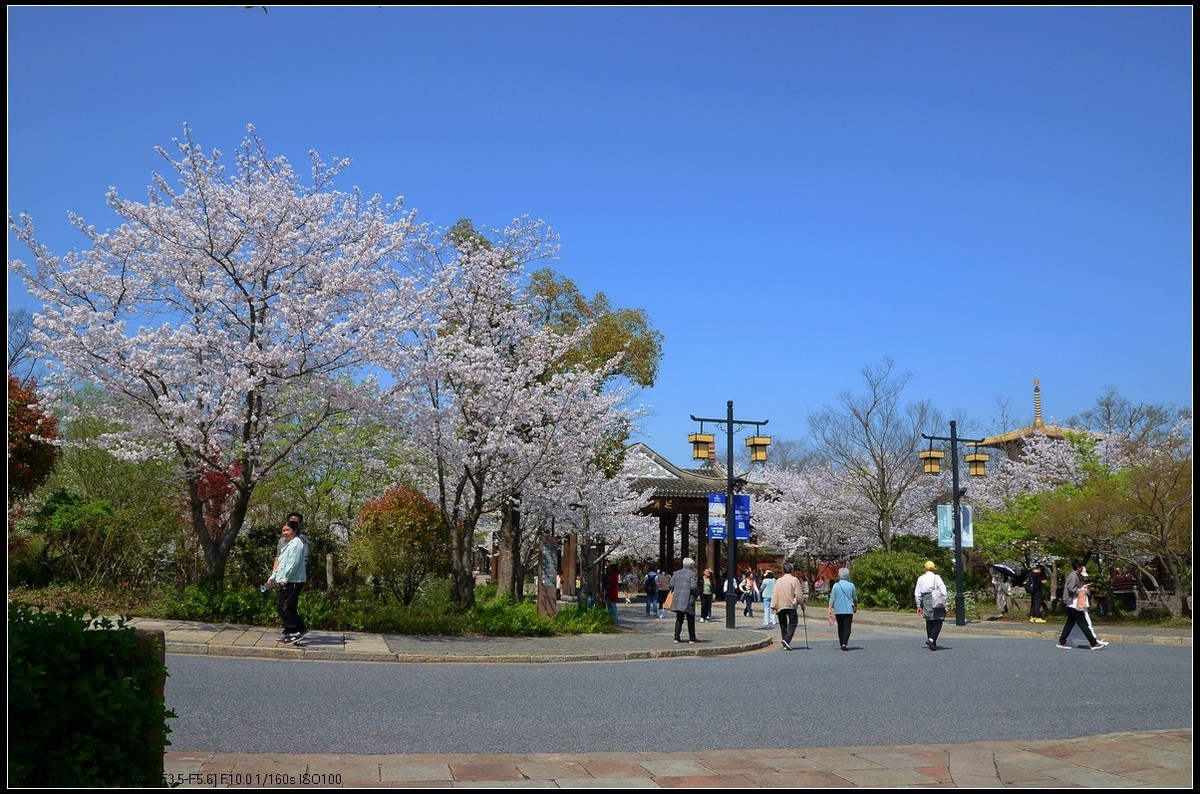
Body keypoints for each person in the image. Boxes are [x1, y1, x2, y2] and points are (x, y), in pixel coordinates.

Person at [264, 517, 308, 643]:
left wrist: (285, 579)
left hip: (293, 581)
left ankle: (294, 631)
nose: (284, 532)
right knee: (290, 607)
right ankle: (299, 629)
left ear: (295, 530)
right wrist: (273, 577)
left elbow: (292, 564)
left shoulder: (297, 543)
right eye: (283, 530)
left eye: (287, 530)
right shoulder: (289, 544)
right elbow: (282, 563)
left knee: (284, 607)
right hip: (287, 580)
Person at [1058, 560, 1107, 650]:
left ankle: (1062, 641)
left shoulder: (1076, 576)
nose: (1082, 568)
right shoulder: (1073, 576)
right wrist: (1082, 589)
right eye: (1081, 567)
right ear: (1078, 567)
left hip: (1073, 604)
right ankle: (1093, 643)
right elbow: (1071, 589)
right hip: (1074, 603)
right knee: (1083, 624)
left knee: (1070, 624)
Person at [770, 562, 805, 650]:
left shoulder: (779, 580)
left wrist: (773, 605)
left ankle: (785, 640)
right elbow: (799, 594)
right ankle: (787, 639)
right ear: (792, 570)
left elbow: (775, 593)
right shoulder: (794, 580)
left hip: (780, 605)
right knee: (793, 622)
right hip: (790, 605)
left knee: (783, 624)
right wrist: (802, 604)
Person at [915, 560, 948, 651]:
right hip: (935, 599)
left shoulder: (920, 578)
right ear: (934, 569)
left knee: (929, 620)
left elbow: (917, 593)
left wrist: (918, 605)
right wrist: (946, 602)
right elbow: (943, 590)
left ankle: (932, 642)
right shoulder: (936, 577)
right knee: (939, 620)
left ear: (925, 569)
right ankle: (931, 639)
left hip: (925, 599)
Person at [668, 558, 700, 643]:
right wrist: (697, 593)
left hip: (678, 598)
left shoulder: (676, 573)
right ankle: (692, 638)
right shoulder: (692, 574)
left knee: (679, 619)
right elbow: (693, 586)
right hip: (688, 599)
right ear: (691, 565)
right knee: (690, 619)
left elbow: (671, 585)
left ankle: (676, 637)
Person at [827, 567, 858, 651]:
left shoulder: (836, 586)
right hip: (848, 610)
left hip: (838, 610)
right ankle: (845, 643)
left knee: (840, 627)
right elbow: (855, 597)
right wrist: (856, 605)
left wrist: (829, 608)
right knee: (847, 627)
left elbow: (832, 597)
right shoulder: (851, 585)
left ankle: (841, 643)